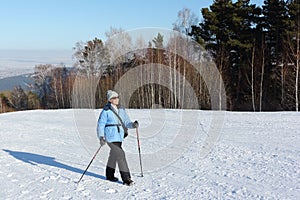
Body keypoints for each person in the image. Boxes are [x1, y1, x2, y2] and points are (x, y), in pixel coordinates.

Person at [97, 90, 139, 186]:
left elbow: (126, 122)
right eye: (114, 98)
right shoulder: (106, 111)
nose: (117, 99)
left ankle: (109, 175)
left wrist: (133, 125)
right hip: (110, 137)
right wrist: (101, 137)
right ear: (110, 100)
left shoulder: (121, 109)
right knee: (121, 155)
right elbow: (100, 125)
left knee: (113, 155)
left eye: (117, 97)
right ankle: (126, 179)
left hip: (119, 136)